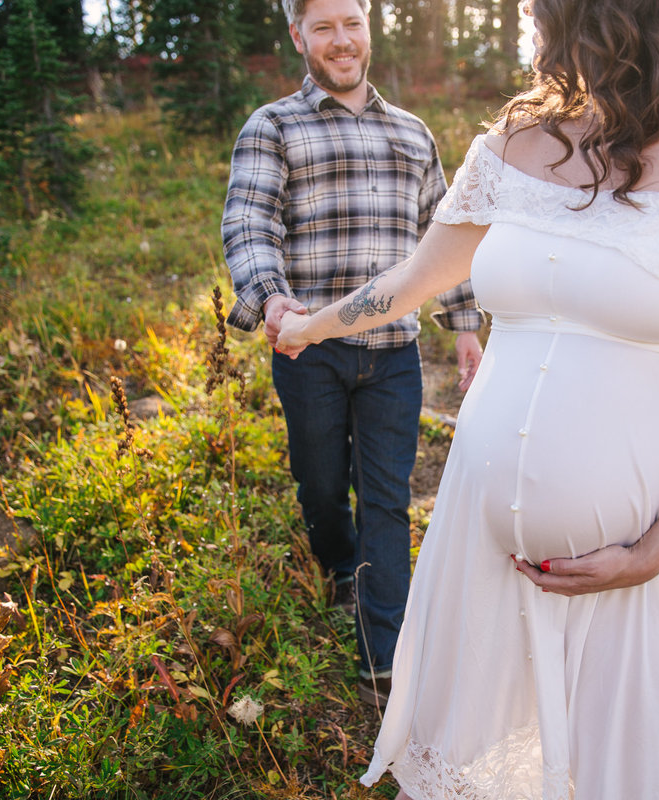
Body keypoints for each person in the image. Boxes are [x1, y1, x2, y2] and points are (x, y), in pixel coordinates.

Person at [276, 0, 659, 794]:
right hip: (481, 539)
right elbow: (411, 282)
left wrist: (648, 555)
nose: (528, 16)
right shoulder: (516, 139)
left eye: (542, 7)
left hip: (638, 560)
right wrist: (311, 327)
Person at [220, 0, 485, 709]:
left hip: (394, 356)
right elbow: (249, 223)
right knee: (319, 482)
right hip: (308, 350)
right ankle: (336, 564)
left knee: (388, 501)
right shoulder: (273, 126)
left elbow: (444, 239)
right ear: (298, 35)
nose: (341, 41)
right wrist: (273, 300)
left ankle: (382, 664)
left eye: (352, 23)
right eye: (324, 27)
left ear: (370, 27)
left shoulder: (413, 133)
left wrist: (464, 325)